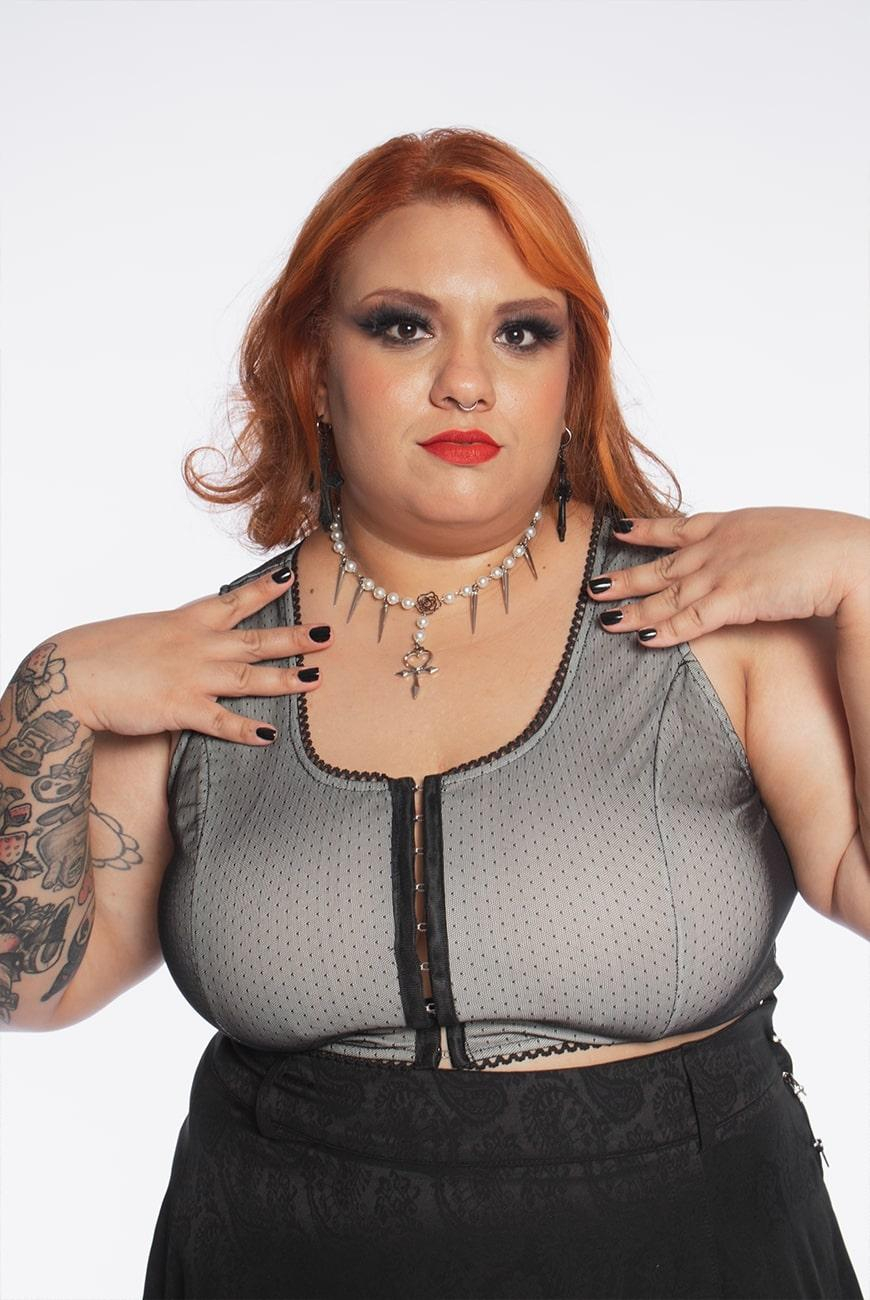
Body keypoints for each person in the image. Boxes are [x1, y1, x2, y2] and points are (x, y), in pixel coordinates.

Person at [1, 127, 866, 1300]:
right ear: (312, 368)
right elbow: (30, 989)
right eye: (403, 326)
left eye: (522, 331)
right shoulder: (196, 668)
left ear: (576, 379)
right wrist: (45, 695)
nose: (467, 380)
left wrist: (867, 576)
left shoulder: (711, 624)